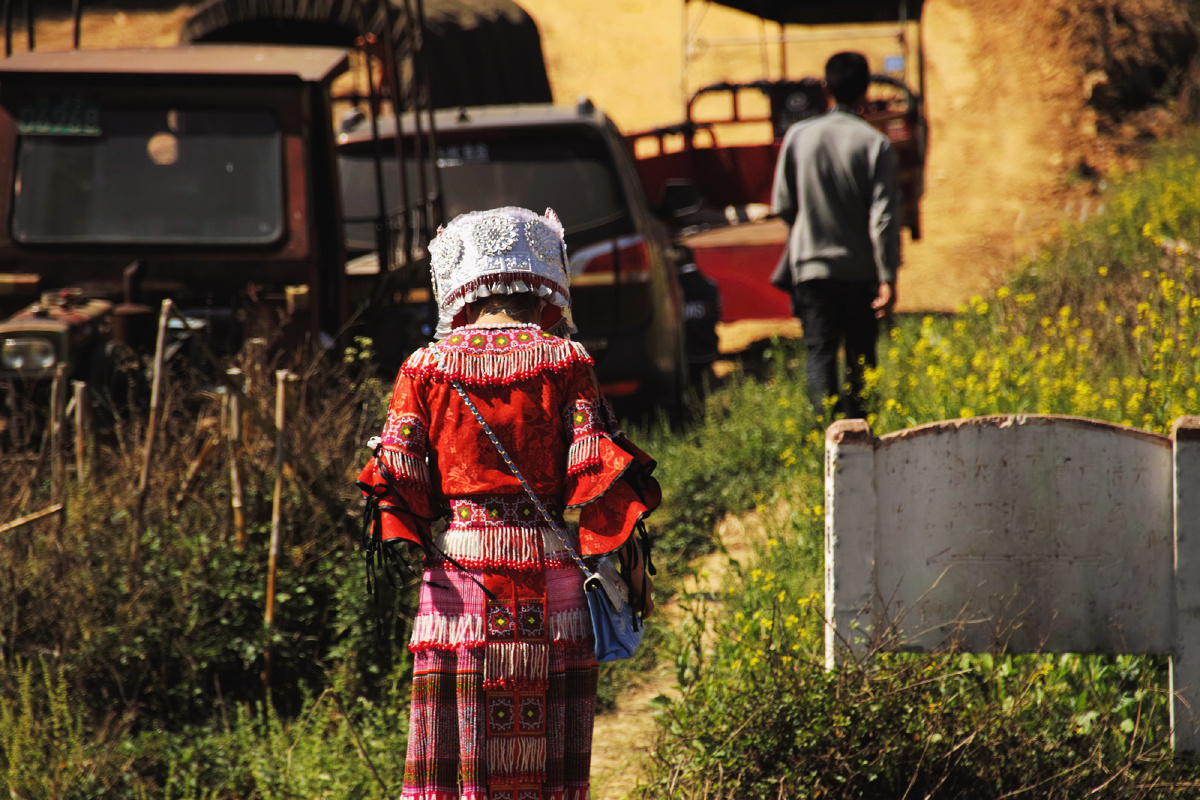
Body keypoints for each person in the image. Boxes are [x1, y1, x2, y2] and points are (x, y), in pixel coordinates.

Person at [356, 206, 659, 800]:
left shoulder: (424, 368)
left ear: (461, 290)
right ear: (545, 284)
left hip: (461, 579)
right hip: (552, 579)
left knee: (456, 745)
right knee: (550, 756)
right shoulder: (567, 362)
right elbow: (601, 476)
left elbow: (398, 481)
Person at [770, 51, 901, 419]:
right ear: (866, 91)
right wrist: (888, 275)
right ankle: (861, 433)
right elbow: (885, 217)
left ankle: (825, 437)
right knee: (861, 354)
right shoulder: (876, 145)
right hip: (860, 272)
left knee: (820, 351)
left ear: (826, 89)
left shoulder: (798, 137)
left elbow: (783, 204)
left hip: (811, 269)